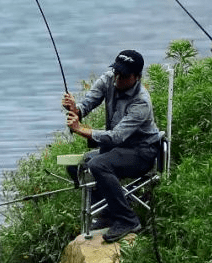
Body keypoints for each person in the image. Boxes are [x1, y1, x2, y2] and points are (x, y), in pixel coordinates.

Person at [61, 49, 164, 243]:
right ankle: (109, 212)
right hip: (117, 150)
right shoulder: (108, 79)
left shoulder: (141, 102)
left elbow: (115, 137)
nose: (118, 78)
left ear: (137, 77)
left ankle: (128, 220)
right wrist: (75, 109)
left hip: (141, 152)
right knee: (77, 167)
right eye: (116, 71)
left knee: (99, 164)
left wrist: (80, 129)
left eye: (124, 75)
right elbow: (86, 105)